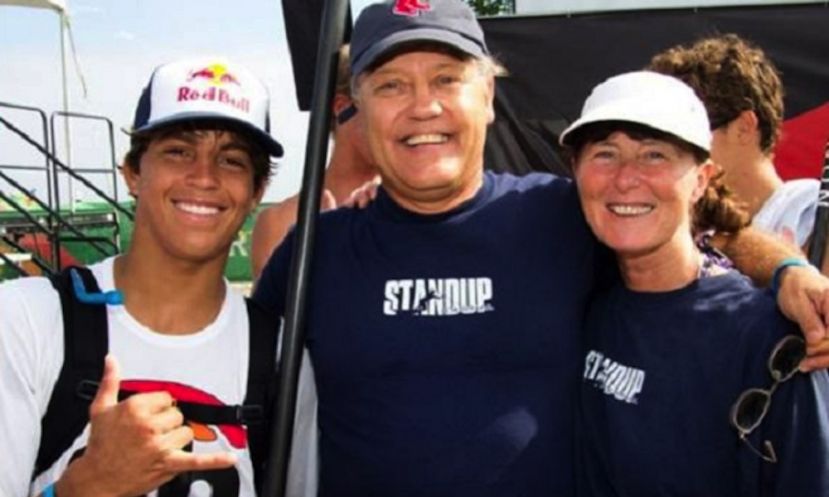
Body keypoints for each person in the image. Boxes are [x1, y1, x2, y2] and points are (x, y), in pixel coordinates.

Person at [254, 1, 829, 495]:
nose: (422, 106)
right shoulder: (318, 249)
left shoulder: (561, 213)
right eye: (390, 85)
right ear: (356, 108)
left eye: (447, 79)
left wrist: (787, 269)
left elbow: (695, 221)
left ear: (487, 95)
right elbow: (232, 354)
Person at [0, 56, 283, 497]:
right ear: (133, 172)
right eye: (178, 151)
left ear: (256, 192)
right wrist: (86, 486)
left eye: (231, 160)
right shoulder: (25, 320)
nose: (204, 177)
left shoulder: (280, 351)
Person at [561, 70, 829, 496]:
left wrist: (790, 271)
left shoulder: (769, 339)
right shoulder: (578, 293)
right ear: (575, 173)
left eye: (654, 155)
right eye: (605, 153)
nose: (626, 178)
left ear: (701, 180)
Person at [647, 34, 828, 273]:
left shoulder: (810, 209)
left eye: (686, 135)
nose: (668, 154)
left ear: (744, 127)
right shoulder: (666, 236)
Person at [250, 44, 378, 280]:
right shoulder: (281, 221)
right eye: (384, 96)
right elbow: (275, 314)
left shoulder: (422, 209)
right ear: (342, 107)